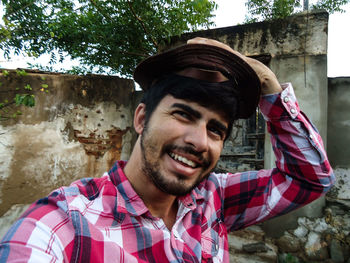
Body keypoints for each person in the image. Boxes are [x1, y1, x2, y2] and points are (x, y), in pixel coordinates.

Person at [0, 37, 334, 262]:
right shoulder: (62, 226)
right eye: (183, 114)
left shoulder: (213, 200)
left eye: (216, 130)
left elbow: (310, 179)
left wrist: (267, 84)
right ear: (142, 118)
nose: (199, 142)